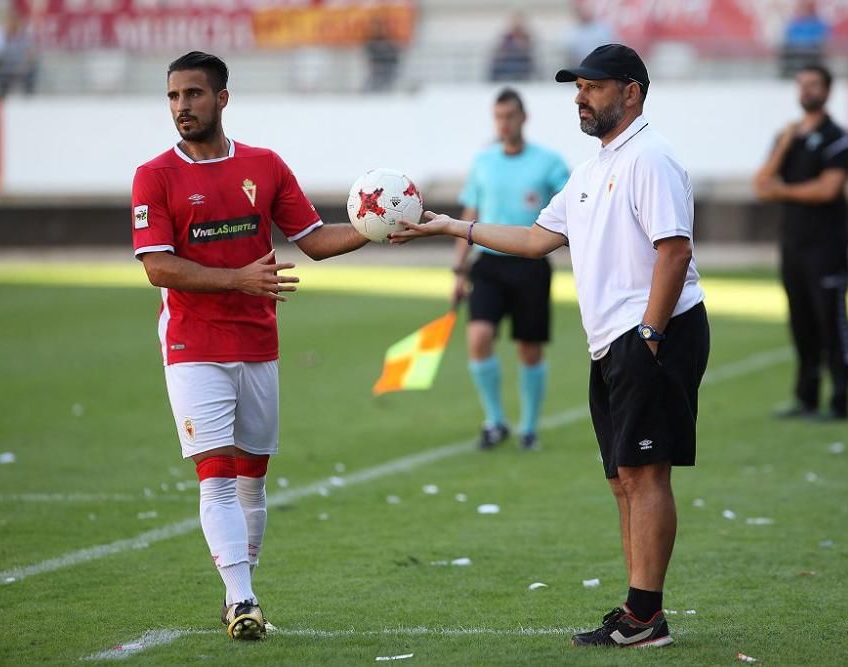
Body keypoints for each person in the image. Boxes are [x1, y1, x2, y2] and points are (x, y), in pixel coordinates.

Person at [392, 44, 709, 649]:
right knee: (623, 478)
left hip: (653, 334)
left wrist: (650, 334)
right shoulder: (592, 169)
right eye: (577, 87)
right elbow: (538, 239)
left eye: (591, 87)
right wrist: (453, 226)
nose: (579, 97)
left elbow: (675, 251)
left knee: (645, 475)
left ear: (631, 92)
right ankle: (638, 607)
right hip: (615, 341)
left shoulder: (651, 157)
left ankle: (646, 618)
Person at [131, 51, 369, 640]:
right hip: (193, 341)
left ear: (222, 98)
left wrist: (379, 229)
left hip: (259, 340)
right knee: (215, 472)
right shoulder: (155, 175)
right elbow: (159, 269)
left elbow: (313, 240)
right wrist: (237, 279)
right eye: (173, 97)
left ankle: (243, 594)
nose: (182, 107)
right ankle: (241, 598)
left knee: (252, 475)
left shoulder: (264, 166)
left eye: (193, 94)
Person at [452, 88, 569, 450]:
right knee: (479, 338)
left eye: (510, 116)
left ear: (524, 117)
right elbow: (469, 216)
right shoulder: (483, 162)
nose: (504, 123)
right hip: (487, 264)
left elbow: (573, 210)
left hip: (531, 265)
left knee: (529, 349)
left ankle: (529, 427)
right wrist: (459, 270)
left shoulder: (549, 162)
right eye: (498, 117)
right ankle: (495, 422)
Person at [754, 63, 848, 421]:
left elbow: (829, 189)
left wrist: (784, 190)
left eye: (814, 85)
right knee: (801, 324)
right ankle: (807, 398)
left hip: (826, 248)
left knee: (832, 324)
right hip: (793, 246)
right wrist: (784, 143)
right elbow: (762, 184)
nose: (807, 91)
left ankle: (840, 400)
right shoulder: (788, 136)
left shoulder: (837, 137)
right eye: (802, 85)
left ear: (828, 90)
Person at [780, 0, 830, 78]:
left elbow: (822, 38)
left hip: (812, 51)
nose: (805, 10)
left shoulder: (819, 23)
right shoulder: (794, 23)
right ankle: (788, 74)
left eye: (807, 8)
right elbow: (790, 37)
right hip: (797, 50)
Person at [489, 14, 535, 82]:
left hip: (520, 62)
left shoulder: (525, 36)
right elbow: (502, 48)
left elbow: (525, 49)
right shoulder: (508, 36)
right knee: (496, 67)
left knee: (516, 66)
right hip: (508, 61)